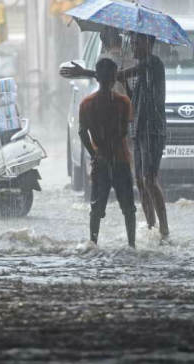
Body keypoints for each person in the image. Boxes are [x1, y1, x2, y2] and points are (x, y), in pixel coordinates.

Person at [61, 32, 169, 239]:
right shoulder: (139, 73)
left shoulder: (153, 64)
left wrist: (85, 71)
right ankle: (150, 227)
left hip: (153, 130)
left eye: (136, 43)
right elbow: (130, 94)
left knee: (149, 178)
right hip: (139, 129)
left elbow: (115, 76)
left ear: (148, 43)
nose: (133, 47)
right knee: (140, 179)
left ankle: (163, 229)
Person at [78, 58, 137, 248]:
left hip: (100, 160)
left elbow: (82, 132)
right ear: (114, 79)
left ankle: (93, 243)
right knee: (128, 208)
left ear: (97, 78)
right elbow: (126, 130)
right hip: (121, 159)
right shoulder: (123, 102)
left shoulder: (86, 103)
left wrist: (93, 152)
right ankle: (132, 244)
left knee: (96, 207)